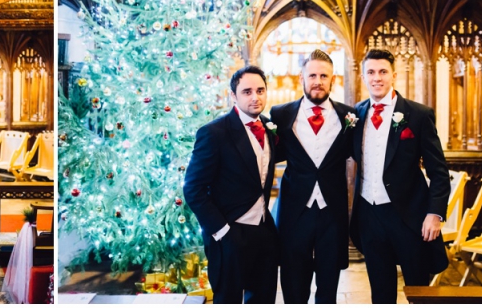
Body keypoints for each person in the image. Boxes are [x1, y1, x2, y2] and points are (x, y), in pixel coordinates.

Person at [349, 49, 449, 303]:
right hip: (369, 214)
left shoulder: (417, 114)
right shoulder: (356, 115)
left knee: (418, 291)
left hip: (409, 216)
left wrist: (434, 214)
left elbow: (439, 171)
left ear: (394, 75)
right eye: (371, 72)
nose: (377, 78)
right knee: (380, 292)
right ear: (363, 77)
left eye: (383, 72)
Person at [184, 66, 278, 304]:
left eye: (260, 90)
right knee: (228, 300)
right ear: (233, 95)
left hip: (264, 233)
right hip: (230, 234)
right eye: (247, 91)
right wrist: (223, 231)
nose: (255, 97)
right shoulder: (214, 133)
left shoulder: (269, 127)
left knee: (264, 299)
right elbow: (193, 189)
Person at [270, 49, 355, 304]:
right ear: (301, 78)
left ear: (333, 79)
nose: (318, 81)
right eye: (313, 75)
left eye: (324, 76)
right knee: (294, 287)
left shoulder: (349, 116)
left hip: (332, 213)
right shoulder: (280, 115)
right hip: (295, 212)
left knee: (329, 289)